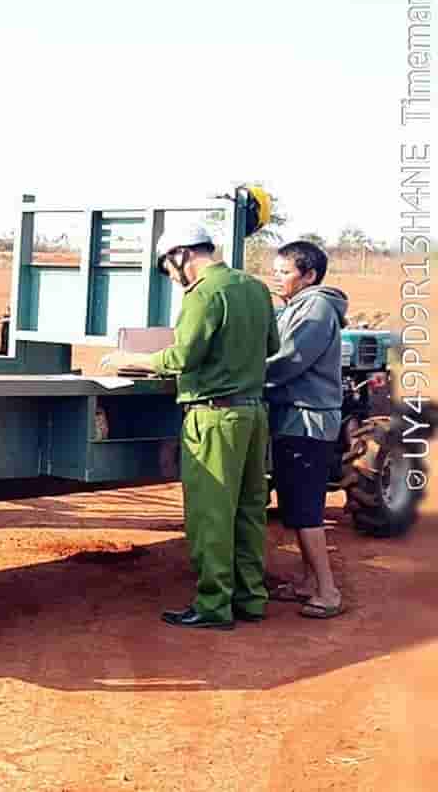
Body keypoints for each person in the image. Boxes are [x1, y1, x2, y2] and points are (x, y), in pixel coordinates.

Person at [102, 224, 279, 630]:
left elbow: (182, 355)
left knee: (211, 513)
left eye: (168, 268)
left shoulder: (203, 293)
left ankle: (215, 605)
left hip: (214, 416)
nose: (172, 277)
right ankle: (251, 599)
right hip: (253, 414)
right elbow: (270, 346)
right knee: (250, 510)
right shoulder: (254, 288)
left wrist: (130, 359)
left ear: (181, 255)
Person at [264, 239, 348, 619]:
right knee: (296, 505)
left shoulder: (315, 307)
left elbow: (288, 360)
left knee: (307, 509)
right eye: (276, 271)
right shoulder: (298, 307)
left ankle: (328, 591)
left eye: (285, 272)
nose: (276, 278)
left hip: (306, 421)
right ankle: (306, 581)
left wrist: (242, 376)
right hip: (294, 418)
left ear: (309, 275)